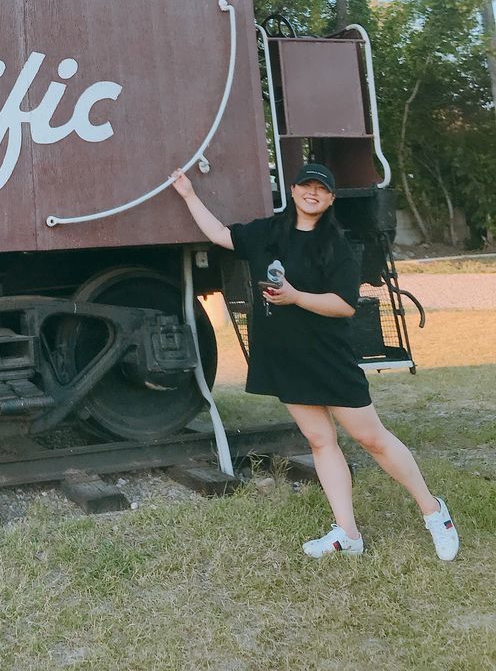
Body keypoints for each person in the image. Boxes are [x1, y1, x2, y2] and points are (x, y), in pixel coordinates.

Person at [172, 160, 459, 560]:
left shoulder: (336, 245)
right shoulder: (267, 233)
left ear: (330, 199)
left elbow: (343, 305)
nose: (313, 192)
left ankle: (435, 513)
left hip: (328, 357)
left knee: (371, 439)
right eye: (306, 185)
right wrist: (188, 193)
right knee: (320, 441)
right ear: (292, 190)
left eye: (321, 189)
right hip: (284, 357)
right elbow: (220, 234)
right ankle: (347, 534)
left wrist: (295, 297)